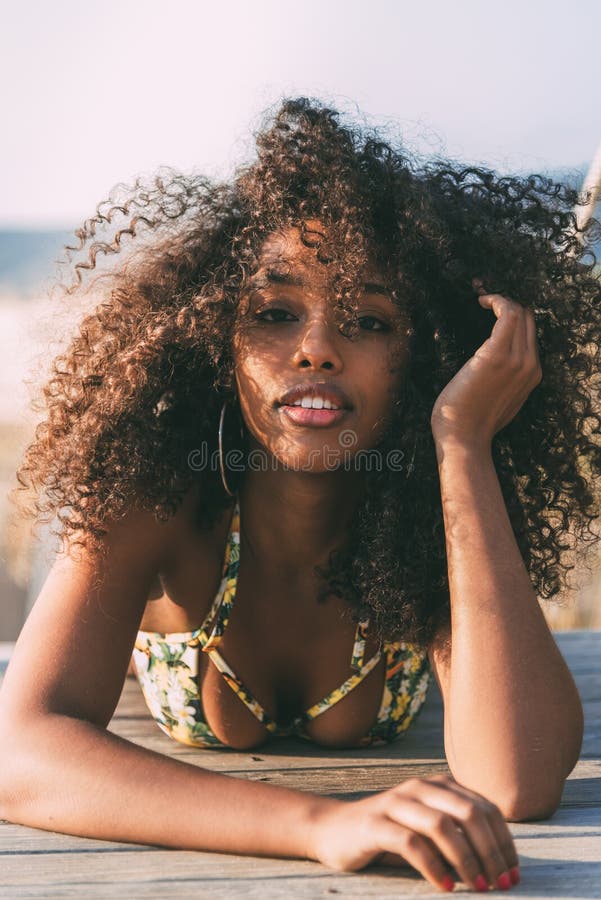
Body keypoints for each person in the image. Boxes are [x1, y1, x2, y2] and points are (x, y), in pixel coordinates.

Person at [0, 97, 598, 894]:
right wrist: (320, 823)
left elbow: (517, 782)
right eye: (274, 313)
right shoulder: (158, 495)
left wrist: (460, 442)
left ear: (426, 353)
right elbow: (19, 753)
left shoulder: (431, 509)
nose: (315, 350)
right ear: (219, 336)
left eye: (368, 321)